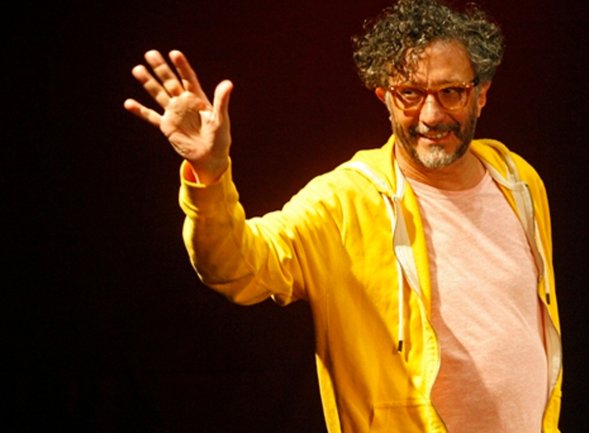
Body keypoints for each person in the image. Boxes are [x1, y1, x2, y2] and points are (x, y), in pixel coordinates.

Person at [124, 0, 562, 431]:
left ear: (481, 94)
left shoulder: (517, 181)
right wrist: (210, 174)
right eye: (410, 94)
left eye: (451, 92)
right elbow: (236, 267)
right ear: (385, 97)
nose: (431, 115)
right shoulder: (342, 201)